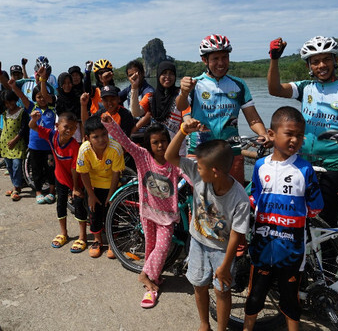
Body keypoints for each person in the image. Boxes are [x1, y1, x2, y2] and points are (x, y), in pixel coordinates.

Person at [266, 36, 338, 227]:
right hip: (301, 164)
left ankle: (330, 258)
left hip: (334, 168)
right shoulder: (306, 88)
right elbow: (274, 89)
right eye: (315, 61)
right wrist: (274, 58)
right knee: (296, 218)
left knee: (327, 224)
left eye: (326, 59)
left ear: (335, 60)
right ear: (309, 66)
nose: (321, 65)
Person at [165, 117, 251, 331]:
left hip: (223, 250)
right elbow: (170, 156)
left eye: (201, 167)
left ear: (215, 172)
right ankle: (204, 324)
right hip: (198, 242)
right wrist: (183, 130)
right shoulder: (199, 173)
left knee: (222, 290)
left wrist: (225, 266)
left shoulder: (239, 198)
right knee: (199, 285)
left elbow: (236, 234)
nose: (196, 169)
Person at [243, 106, 324, 331]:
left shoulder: (305, 169)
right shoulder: (260, 166)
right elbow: (254, 196)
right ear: (271, 134)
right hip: (261, 247)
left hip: (292, 250)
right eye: (289, 133)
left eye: (299, 135)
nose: (295, 140)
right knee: (255, 296)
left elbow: (316, 206)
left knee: (290, 301)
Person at [101, 114, 181, 309]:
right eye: (155, 143)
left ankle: (146, 275)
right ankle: (150, 282)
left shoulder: (174, 162)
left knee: (162, 248)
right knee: (151, 247)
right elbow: (125, 142)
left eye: (163, 141)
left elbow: (190, 172)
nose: (160, 146)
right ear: (149, 145)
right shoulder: (142, 157)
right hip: (147, 212)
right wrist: (110, 124)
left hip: (167, 216)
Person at [176, 34, 270, 183]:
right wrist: (184, 92)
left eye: (225, 57)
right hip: (200, 152)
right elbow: (181, 106)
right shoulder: (195, 84)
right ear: (204, 60)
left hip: (231, 151)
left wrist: (263, 133)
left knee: (235, 197)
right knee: (201, 201)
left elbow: (253, 119)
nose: (221, 63)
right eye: (215, 59)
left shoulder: (239, 85)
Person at [28, 111, 88, 253]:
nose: (69, 130)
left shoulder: (74, 146)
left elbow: (75, 169)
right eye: (66, 126)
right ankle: (63, 233)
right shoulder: (51, 136)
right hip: (60, 176)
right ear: (57, 126)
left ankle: (83, 236)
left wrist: (75, 188)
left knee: (79, 205)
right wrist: (34, 119)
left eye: (73, 128)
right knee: (60, 203)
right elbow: (33, 127)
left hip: (75, 179)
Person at [76, 115, 125, 258]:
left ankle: (111, 241)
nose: (101, 139)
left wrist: (111, 195)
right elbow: (83, 173)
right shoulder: (84, 149)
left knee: (112, 213)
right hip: (93, 185)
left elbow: (116, 175)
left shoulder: (115, 148)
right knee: (94, 213)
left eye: (104, 134)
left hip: (112, 185)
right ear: (87, 138)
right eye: (95, 137)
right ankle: (98, 240)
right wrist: (91, 195)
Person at [10, 80, 56, 204]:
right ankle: (38, 192)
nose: (42, 99)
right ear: (35, 98)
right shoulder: (32, 107)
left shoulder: (53, 109)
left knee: (50, 169)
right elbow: (22, 96)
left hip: (49, 147)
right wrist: (14, 87)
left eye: (44, 96)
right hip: (35, 146)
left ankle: (52, 192)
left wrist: (42, 78)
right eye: (38, 97)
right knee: (36, 170)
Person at [130, 60, 190, 153]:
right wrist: (134, 87)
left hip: (176, 151)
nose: (167, 77)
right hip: (156, 150)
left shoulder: (181, 95)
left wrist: (190, 123)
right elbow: (136, 112)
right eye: (164, 73)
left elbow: (186, 114)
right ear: (158, 75)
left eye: (171, 73)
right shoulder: (151, 97)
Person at [0, 88, 29, 201]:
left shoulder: (22, 112)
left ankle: (16, 187)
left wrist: (15, 140)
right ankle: (16, 186)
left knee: (16, 165)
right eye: (6, 102)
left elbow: (23, 129)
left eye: (11, 101)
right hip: (5, 143)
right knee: (9, 166)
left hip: (17, 143)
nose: (9, 104)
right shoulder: (5, 111)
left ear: (15, 100)